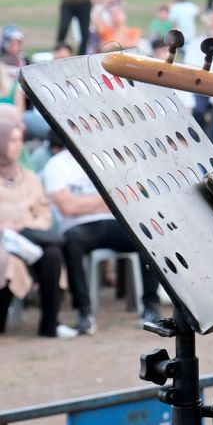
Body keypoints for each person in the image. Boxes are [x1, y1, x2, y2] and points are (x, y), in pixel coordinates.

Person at [42, 131, 163, 334]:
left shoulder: (107, 159)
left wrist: (85, 202)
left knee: (147, 234)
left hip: (114, 222)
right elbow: (67, 207)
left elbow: (129, 197)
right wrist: (108, 199)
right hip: (78, 227)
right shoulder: (56, 165)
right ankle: (84, 312)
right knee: (71, 241)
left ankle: (151, 307)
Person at [0, 107, 77, 338]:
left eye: (19, 140)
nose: (17, 145)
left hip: (30, 239)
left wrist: (25, 226)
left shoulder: (30, 178)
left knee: (52, 254)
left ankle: (49, 323)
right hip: (3, 243)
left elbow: (44, 215)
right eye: (11, 140)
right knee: (7, 258)